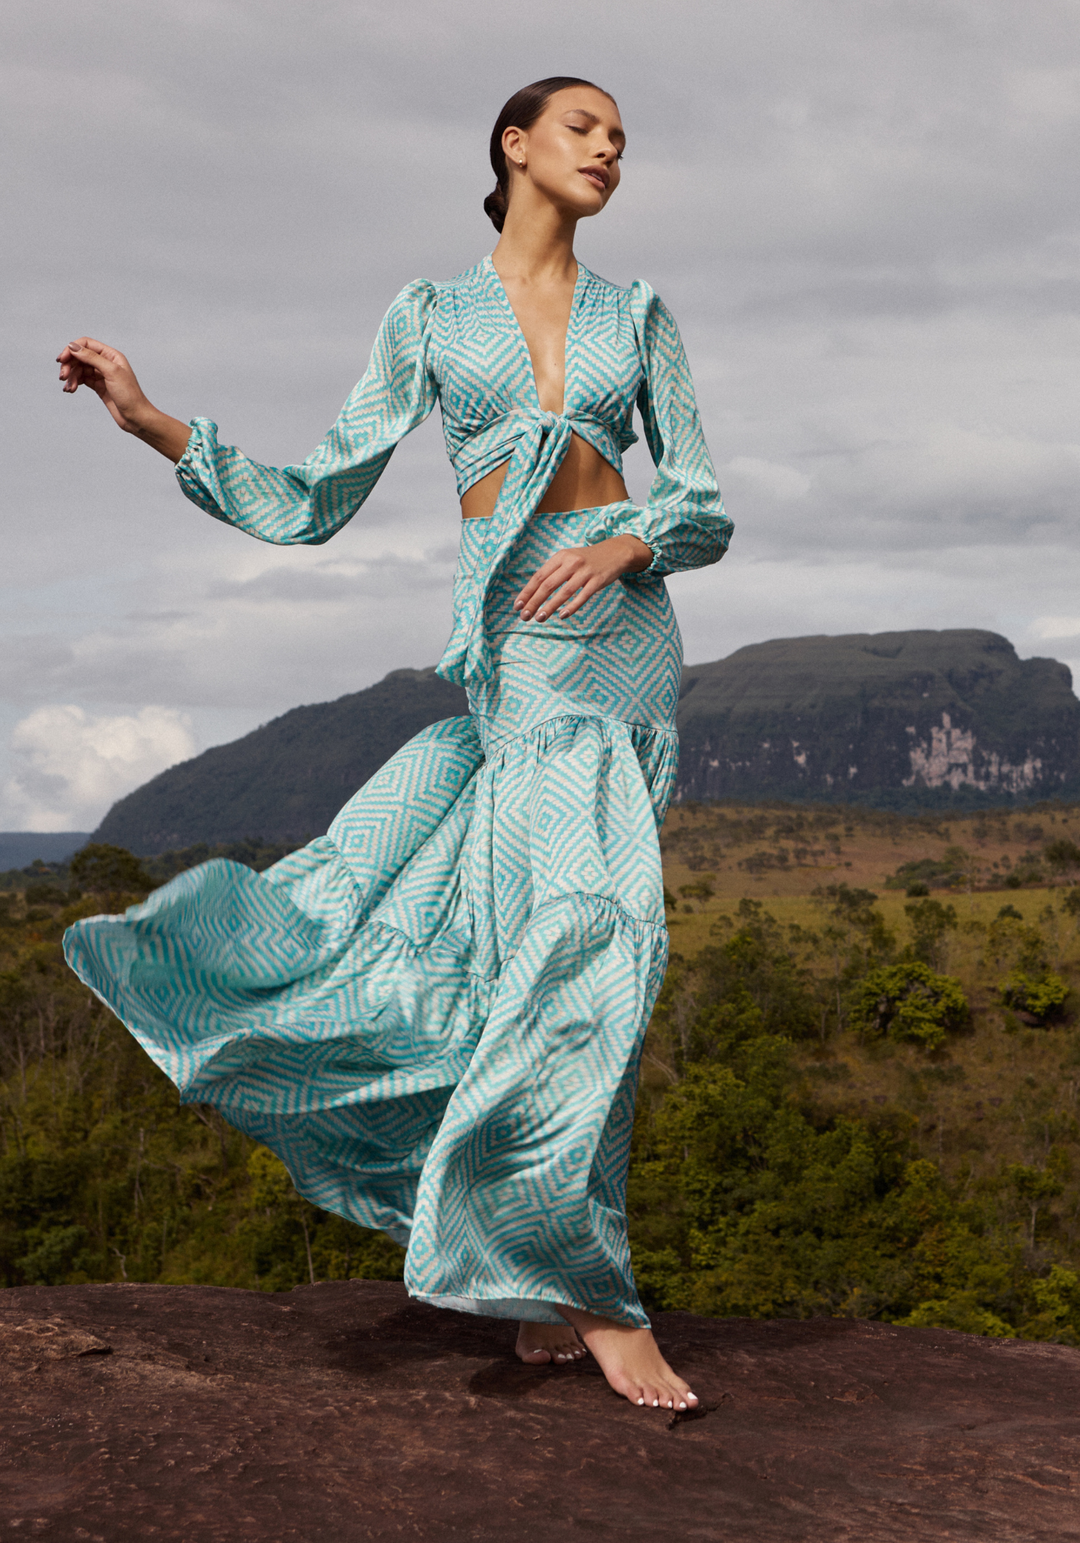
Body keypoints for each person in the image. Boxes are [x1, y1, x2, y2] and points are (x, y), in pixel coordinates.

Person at [57, 76, 732, 1411]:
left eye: (622, 139)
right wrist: (150, 421)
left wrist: (628, 542)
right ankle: (579, 1283)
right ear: (514, 145)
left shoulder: (638, 315)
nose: (609, 149)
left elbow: (702, 498)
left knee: (584, 946)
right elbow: (316, 495)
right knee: (560, 944)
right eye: (584, 127)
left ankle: (542, 1275)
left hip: (624, 646)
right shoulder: (433, 315)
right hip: (519, 656)